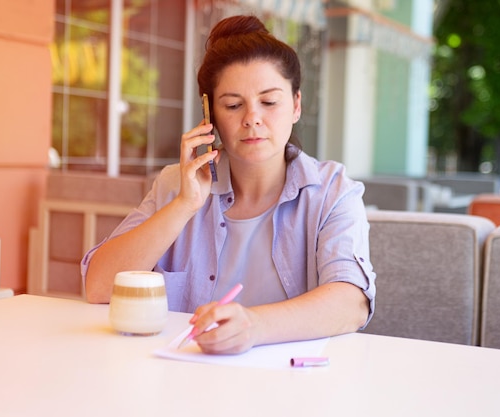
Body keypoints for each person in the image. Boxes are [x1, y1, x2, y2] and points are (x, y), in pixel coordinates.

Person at [81, 15, 376, 355]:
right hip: (186, 380)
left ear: (296, 105)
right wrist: (184, 205)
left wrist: (255, 326)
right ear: (210, 117)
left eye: (269, 101)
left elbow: (351, 301)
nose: (252, 118)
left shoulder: (332, 191)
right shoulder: (175, 185)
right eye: (233, 105)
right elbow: (100, 286)